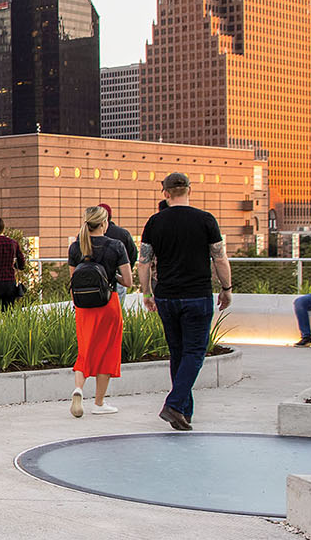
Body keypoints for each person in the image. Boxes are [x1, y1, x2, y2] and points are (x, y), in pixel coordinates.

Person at [139, 172, 232, 432]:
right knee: (195, 352)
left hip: (166, 295)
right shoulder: (205, 220)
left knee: (178, 352)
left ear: (165, 193)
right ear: (189, 190)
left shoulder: (155, 222)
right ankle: (175, 404)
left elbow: (144, 262)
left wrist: (147, 293)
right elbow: (220, 258)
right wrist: (226, 288)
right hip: (197, 294)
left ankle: (183, 412)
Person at [68, 204, 133, 417]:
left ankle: (78, 389)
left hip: (84, 308)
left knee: (85, 349)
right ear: (104, 223)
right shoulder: (115, 245)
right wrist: (111, 276)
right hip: (108, 304)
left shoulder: (76, 247)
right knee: (107, 351)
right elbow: (129, 281)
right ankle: (99, 403)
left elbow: (72, 281)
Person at [100, 205, 137, 293]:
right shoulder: (122, 234)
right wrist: (125, 271)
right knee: (117, 305)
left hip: (91, 280)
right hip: (118, 278)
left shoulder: (84, 237)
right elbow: (133, 254)